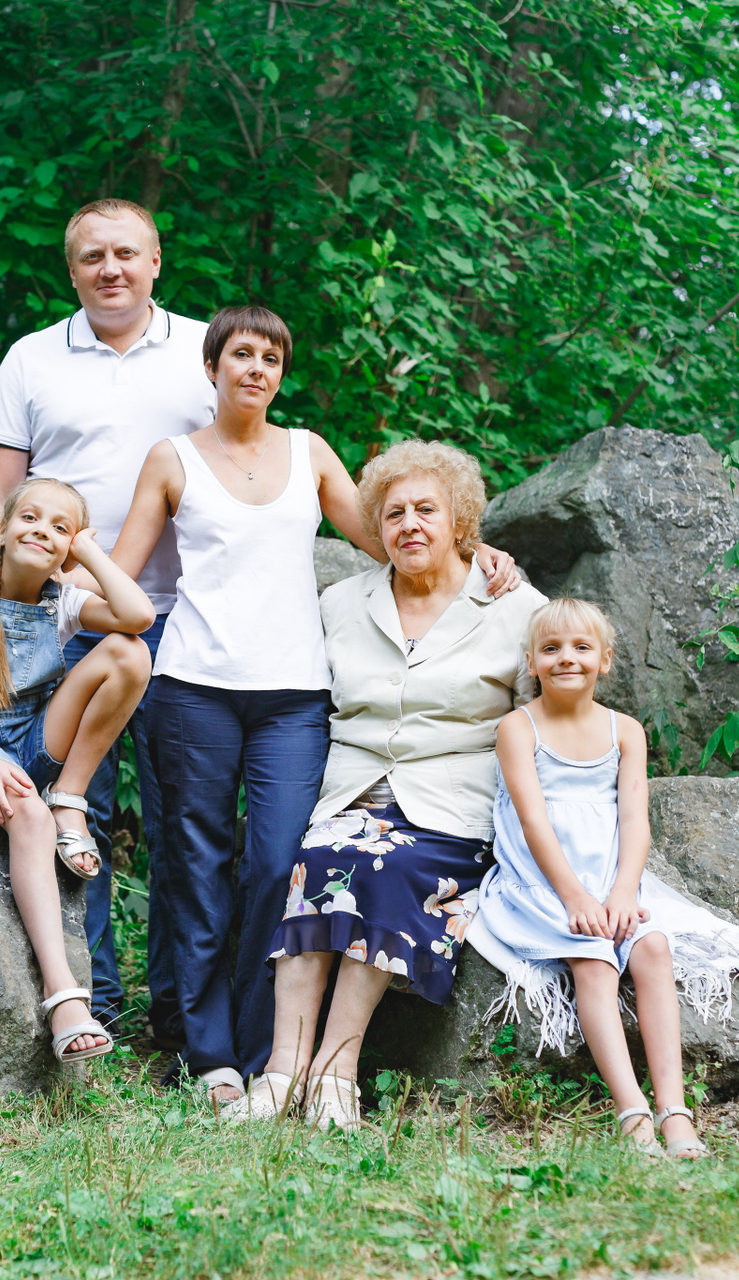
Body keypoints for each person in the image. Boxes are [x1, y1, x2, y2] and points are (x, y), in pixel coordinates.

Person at [0, 198, 214, 1032]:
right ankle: (96, 999)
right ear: (71, 270)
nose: (111, 269)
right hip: (63, 619)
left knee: (185, 815)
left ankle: (183, 1020)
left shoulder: (204, 353)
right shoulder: (33, 358)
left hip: (190, 615)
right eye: (92, 257)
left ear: (156, 261)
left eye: (126, 253)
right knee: (79, 808)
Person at [244, 439, 545, 1128]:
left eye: (426, 510)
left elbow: (544, 717)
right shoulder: (341, 602)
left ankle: (335, 1073)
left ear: (459, 521)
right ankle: (283, 1072)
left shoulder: (515, 605)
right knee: (318, 858)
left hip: (452, 809)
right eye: (394, 513)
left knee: (384, 866)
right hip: (352, 795)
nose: (410, 524)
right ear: (375, 528)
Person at [472, 598, 739, 1156]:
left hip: (612, 877)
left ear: (606, 659)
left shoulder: (625, 731)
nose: (566, 658)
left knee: (653, 947)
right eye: (551, 648)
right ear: (532, 662)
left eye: (582, 647)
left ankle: (674, 1110)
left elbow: (635, 821)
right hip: (544, 882)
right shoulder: (519, 728)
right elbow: (533, 822)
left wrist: (620, 893)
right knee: (594, 961)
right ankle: (632, 1112)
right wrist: (576, 898)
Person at [0, 477, 156, 1063]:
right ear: (0, 530)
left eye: (60, 527)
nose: (42, 531)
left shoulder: (62, 599)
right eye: (30, 518)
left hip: (33, 737)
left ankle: (70, 796)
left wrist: (88, 552)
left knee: (129, 652)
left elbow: (139, 615)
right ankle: (63, 996)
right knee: (28, 815)